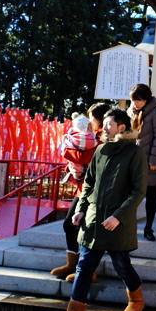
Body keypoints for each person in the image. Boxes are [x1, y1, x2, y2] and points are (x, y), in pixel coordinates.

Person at [43, 108, 147, 311]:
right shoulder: (99, 150)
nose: (103, 127)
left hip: (116, 222)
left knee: (122, 264)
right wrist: (80, 210)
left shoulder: (134, 153)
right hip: (92, 221)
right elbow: (88, 184)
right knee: (83, 267)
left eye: (109, 124)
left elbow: (138, 191)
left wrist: (118, 216)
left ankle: (136, 299)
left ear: (122, 127)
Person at [49, 102, 111, 282]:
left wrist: (77, 163)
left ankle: (86, 269)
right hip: (82, 190)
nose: (89, 121)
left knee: (84, 229)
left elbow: (92, 163)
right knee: (70, 224)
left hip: (95, 192)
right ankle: (73, 264)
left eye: (92, 118)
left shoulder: (103, 140)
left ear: (99, 119)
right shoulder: (89, 137)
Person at [127, 83, 156, 241]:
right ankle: (128, 228)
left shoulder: (155, 113)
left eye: (139, 100)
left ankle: (148, 228)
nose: (135, 103)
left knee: (150, 195)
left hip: (150, 160)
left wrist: (154, 160)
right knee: (130, 196)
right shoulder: (130, 112)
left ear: (146, 99)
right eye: (133, 100)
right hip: (132, 161)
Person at [60, 113, 96, 185]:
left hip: (84, 179)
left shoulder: (70, 136)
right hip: (84, 176)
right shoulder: (92, 138)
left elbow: (66, 153)